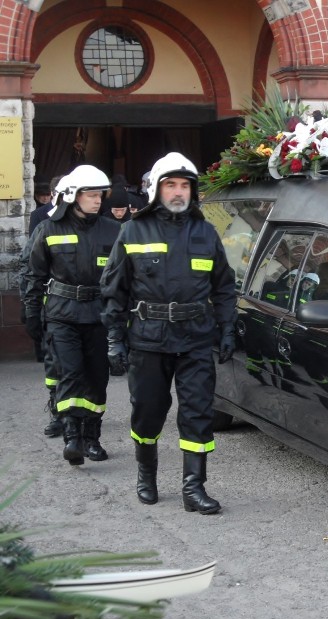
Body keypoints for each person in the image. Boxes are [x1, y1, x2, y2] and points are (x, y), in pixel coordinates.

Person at [100, 152, 237, 514]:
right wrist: (114, 338)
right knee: (147, 412)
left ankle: (194, 488)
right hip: (148, 339)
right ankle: (146, 475)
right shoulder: (133, 230)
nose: (178, 192)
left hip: (195, 338)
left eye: (185, 186)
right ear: (157, 190)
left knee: (197, 412)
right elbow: (114, 289)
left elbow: (223, 286)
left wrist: (226, 329)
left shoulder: (206, 232)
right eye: (171, 185)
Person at [22, 165, 120, 464]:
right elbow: (32, 273)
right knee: (70, 373)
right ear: (72, 196)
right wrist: (31, 311)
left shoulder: (113, 230)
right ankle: (72, 436)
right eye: (90, 195)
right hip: (62, 315)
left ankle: (92, 437)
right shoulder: (48, 228)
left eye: (99, 195)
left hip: (99, 314)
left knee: (97, 377)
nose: (97, 200)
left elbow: (125, 278)